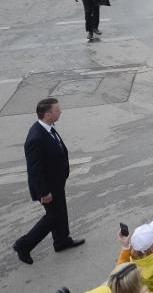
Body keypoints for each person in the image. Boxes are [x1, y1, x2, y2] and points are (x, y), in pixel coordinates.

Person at [13, 98, 84, 265]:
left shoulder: (48, 128)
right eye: (57, 110)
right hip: (47, 188)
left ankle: (61, 241)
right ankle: (23, 245)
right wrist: (44, 193)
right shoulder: (36, 138)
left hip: (56, 183)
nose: (61, 112)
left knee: (61, 212)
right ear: (47, 114)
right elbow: (34, 170)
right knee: (52, 217)